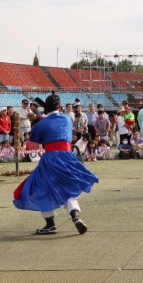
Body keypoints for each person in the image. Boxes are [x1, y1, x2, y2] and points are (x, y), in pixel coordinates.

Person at [13, 92, 97, 235]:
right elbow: (54, 119)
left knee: (41, 188)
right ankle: (75, 216)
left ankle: (50, 224)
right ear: (59, 106)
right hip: (68, 156)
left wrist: (36, 121)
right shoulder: (66, 119)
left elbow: (34, 142)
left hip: (50, 158)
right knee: (69, 188)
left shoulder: (41, 124)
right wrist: (40, 118)